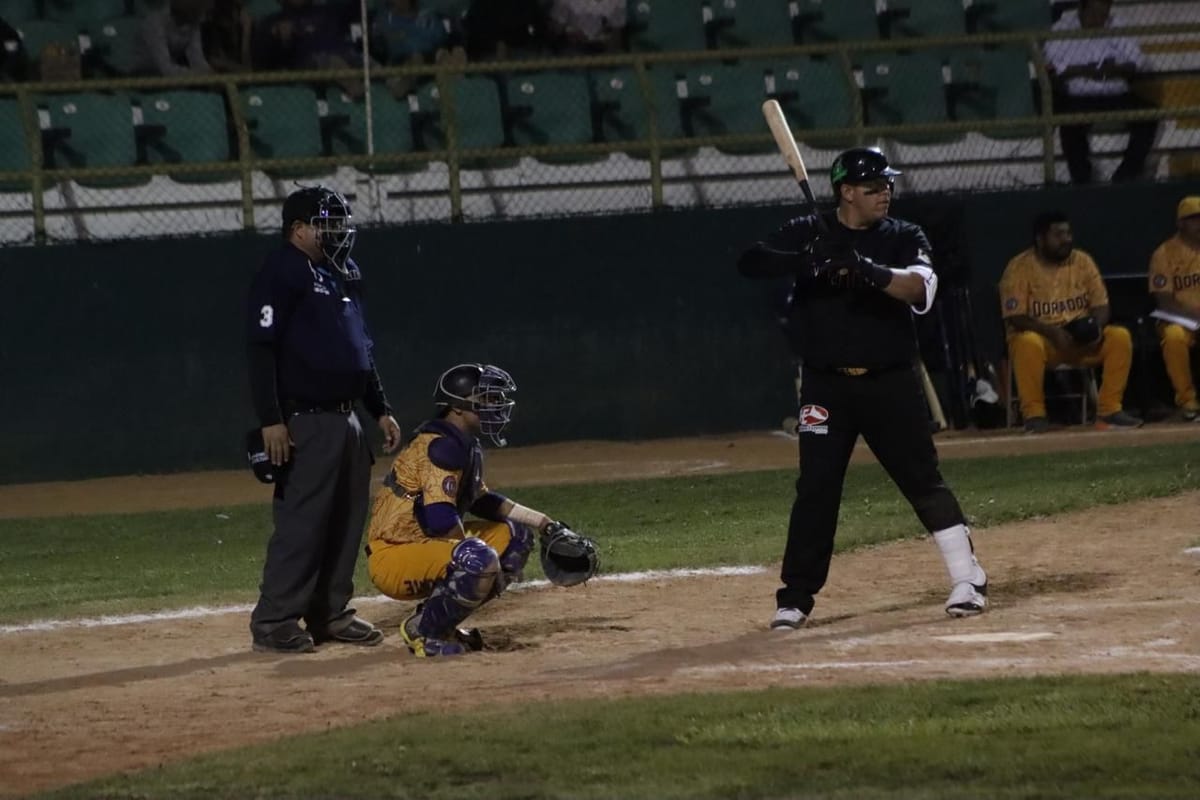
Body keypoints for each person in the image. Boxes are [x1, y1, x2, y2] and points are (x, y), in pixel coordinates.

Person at [737, 147, 988, 630]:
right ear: (846, 192)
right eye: (873, 187)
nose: (885, 193)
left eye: (887, 185)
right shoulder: (809, 230)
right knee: (816, 488)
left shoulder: (903, 236)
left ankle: (968, 577)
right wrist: (807, 256)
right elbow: (751, 262)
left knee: (921, 479)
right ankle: (795, 598)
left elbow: (921, 289)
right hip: (825, 386)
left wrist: (866, 270)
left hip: (890, 380)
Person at [246, 185, 402, 653]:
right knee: (303, 522)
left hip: (347, 419)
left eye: (340, 222)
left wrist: (380, 408)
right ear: (297, 231)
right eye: (326, 223)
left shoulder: (344, 271)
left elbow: (363, 351)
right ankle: (274, 620)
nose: (338, 231)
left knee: (345, 521)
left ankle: (329, 613)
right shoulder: (283, 269)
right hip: (305, 419)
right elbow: (260, 348)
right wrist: (272, 419)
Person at [365, 363, 555, 658]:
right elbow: (441, 519)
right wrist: (475, 558)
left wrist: (544, 523)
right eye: (485, 399)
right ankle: (424, 632)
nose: (494, 405)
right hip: (394, 553)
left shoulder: (462, 444)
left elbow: (483, 502)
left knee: (515, 535)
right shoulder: (441, 447)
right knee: (478, 558)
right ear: (456, 407)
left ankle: (435, 619)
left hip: (421, 544)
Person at [999, 210, 1143, 433]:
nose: (1066, 239)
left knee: (1119, 337)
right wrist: (1052, 332)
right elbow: (1015, 316)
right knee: (1026, 342)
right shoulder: (1019, 267)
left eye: (1068, 233)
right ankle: (1034, 416)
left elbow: (1101, 305)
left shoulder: (1082, 261)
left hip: (1081, 341)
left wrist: (1095, 328)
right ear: (1040, 238)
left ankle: (1109, 411)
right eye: (1058, 235)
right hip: (1046, 343)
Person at [1043, 0, 1158, 184]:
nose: (1100, 20)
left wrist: (1115, 69)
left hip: (1115, 92)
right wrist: (1086, 71)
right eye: (1095, 14)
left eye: (1104, 15)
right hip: (1080, 96)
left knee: (1149, 116)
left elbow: (1136, 62)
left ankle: (1125, 175)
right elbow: (1053, 68)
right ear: (1082, 8)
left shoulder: (1116, 25)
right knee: (1070, 127)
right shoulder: (1062, 29)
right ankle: (1082, 181)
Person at [1148, 196, 1200, 421]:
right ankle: (1188, 401)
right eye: (1193, 219)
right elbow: (1164, 301)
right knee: (1174, 337)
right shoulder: (1164, 253)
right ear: (1180, 223)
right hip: (1181, 320)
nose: (1199, 223)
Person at [132, 0, 214, 77]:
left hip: (169, 74)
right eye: (202, 13)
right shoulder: (154, 24)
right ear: (190, 11)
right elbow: (165, 68)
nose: (204, 19)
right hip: (143, 74)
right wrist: (197, 75)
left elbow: (197, 59)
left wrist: (211, 74)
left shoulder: (193, 24)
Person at [547, 0, 626, 54]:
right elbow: (555, 30)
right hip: (571, 48)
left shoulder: (617, 2)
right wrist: (569, 32)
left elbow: (616, 34)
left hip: (601, 49)